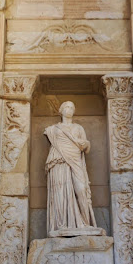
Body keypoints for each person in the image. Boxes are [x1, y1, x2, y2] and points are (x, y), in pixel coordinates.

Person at [44, 101, 97, 236]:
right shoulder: (53, 129)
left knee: (81, 189)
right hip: (59, 161)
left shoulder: (78, 128)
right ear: (60, 110)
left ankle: (85, 223)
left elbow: (85, 147)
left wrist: (85, 144)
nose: (69, 109)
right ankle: (62, 224)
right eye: (66, 107)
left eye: (72, 107)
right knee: (60, 192)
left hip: (75, 160)